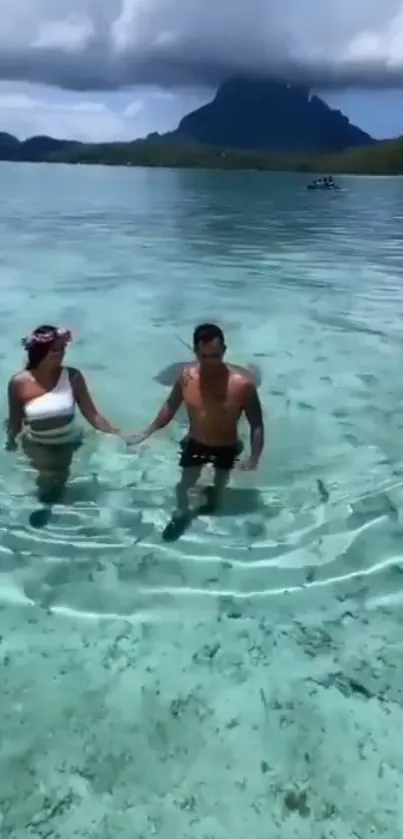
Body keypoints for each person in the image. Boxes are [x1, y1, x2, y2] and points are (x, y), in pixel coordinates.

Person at [129, 323, 265, 539]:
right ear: (195, 352)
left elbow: (256, 423)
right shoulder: (186, 377)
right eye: (204, 356)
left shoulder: (242, 384)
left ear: (224, 351)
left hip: (227, 446)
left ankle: (213, 503)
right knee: (183, 486)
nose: (211, 362)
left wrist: (254, 458)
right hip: (196, 442)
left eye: (216, 355)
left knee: (219, 484)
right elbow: (170, 406)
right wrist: (148, 431)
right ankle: (182, 514)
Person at [6, 324, 124, 518]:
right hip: (38, 442)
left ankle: (56, 512)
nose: (60, 354)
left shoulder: (73, 376)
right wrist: (10, 442)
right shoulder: (19, 383)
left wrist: (115, 434)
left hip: (69, 439)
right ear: (40, 352)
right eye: (55, 350)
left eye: (63, 349)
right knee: (47, 478)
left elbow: (92, 414)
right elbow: (15, 420)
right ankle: (47, 510)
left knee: (61, 476)